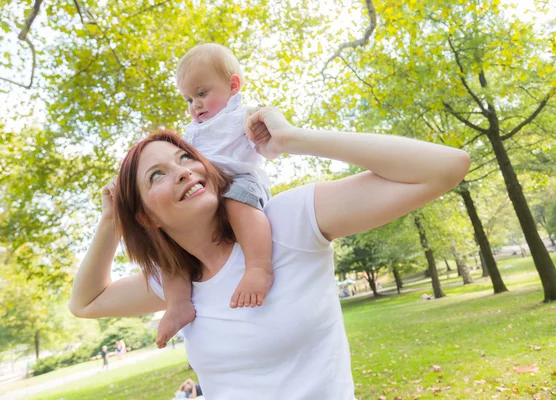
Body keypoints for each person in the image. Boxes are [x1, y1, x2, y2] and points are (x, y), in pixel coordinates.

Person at [69, 106, 470, 398]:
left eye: (185, 157)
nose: (182, 170)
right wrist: (110, 222)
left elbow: (446, 166)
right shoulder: (174, 282)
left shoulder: (290, 221)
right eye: (157, 174)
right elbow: (85, 303)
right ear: (147, 218)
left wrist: (294, 139)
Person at [154, 43, 274, 348]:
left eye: (202, 93)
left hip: (240, 182)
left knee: (236, 202)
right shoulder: (191, 131)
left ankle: (258, 268)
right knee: (169, 238)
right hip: (207, 190)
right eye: (189, 99)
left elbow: (270, 126)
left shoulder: (243, 114)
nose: (196, 105)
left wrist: (265, 131)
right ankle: (178, 302)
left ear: (233, 86)